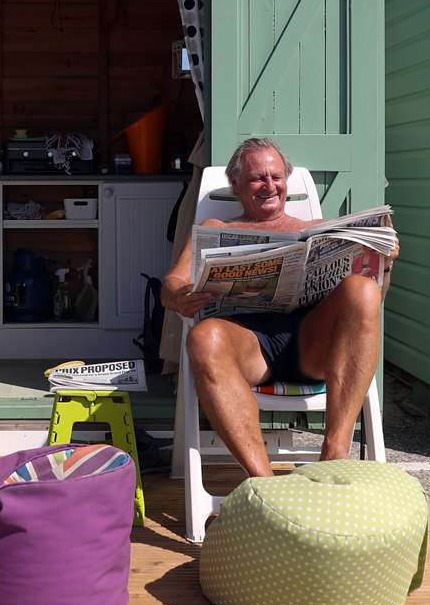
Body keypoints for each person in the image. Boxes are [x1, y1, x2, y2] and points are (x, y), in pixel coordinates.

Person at [160, 138, 396, 479]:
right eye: (258, 178)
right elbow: (171, 284)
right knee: (203, 336)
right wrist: (181, 294)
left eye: (276, 177)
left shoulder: (319, 231)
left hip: (312, 345)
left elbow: (372, 304)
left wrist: (384, 266)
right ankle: (263, 482)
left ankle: (333, 455)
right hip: (248, 347)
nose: (269, 186)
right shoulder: (216, 230)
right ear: (237, 185)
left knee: (363, 290)